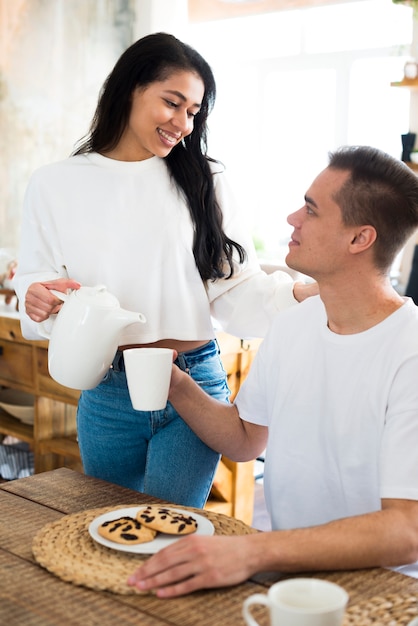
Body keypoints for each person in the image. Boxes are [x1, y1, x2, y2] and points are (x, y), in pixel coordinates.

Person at [13, 32, 315, 508]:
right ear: (130, 88)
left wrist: (297, 296)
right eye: (172, 103)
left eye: (193, 112)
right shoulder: (55, 185)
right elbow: (37, 283)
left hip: (192, 386)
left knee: (169, 531)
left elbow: (234, 289)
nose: (183, 124)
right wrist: (38, 299)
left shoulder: (207, 180)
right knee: (111, 531)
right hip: (108, 386)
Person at [127, 145, 418, 598]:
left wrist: (252, 552)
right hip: (291, 574)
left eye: (312, 210)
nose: (292, 218)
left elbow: (406, 530)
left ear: (360, 239)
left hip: (387, 593)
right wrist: (176, 383)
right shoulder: (294, 323)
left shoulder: (410, 352)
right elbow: (244, 439)